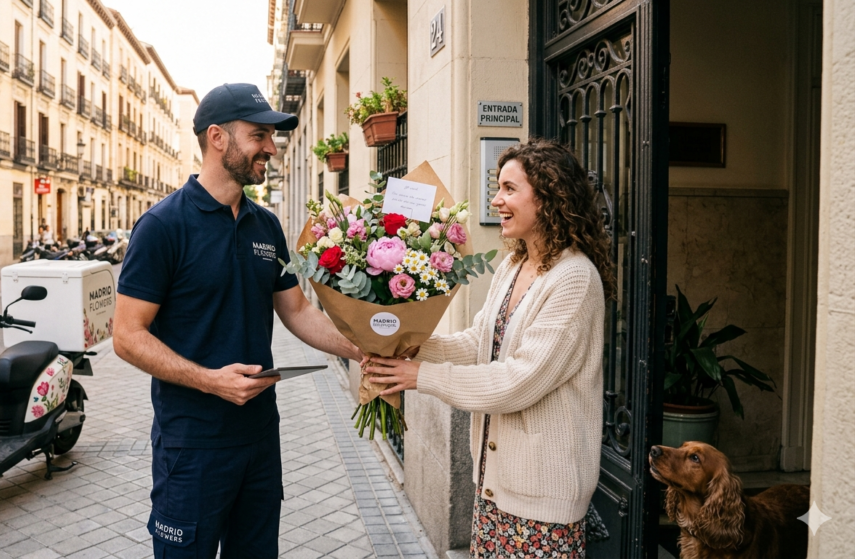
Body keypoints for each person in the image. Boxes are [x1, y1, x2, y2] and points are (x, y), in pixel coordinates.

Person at [113, 83, 363, 559]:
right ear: (217, 138)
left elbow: (298, 311)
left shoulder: (265, 225)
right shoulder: (163, 226)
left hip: (259, 440)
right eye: (259, 135)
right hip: (191, 446)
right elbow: (126, 336)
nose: (270, 147)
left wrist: (360, 348)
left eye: (271, 136)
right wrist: (209, 381)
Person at [364, 139, 615, 558]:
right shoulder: (514, 265)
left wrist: (420, 377)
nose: (496, 200)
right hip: (494, 487)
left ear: (550, 196)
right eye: (497, 188)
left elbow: (518, 380)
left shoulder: (575, 278)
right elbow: (478, 342)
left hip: (542, 503)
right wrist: (408, 347)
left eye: (509, 189)